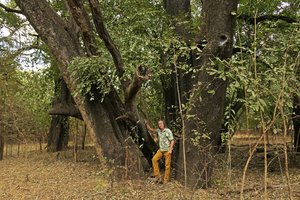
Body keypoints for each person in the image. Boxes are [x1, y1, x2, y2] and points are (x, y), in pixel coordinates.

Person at [145, 120, 175, 184]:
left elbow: (172, 140)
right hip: (161, 150)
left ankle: (166, 180)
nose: (160, 125)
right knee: (154, 159)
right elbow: (151, 130)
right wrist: (147, 124)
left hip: (167, 150)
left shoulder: (167, 131)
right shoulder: (158, 131)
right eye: (159, 124)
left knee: (167, 165)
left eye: (161, 123)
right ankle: (157, 176)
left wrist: (170, 149)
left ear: (163, 124)